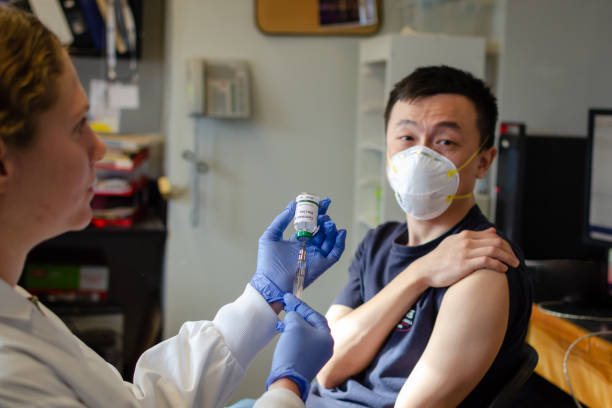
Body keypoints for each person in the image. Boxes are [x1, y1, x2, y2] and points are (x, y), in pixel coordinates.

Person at [0, 5, 346, 408]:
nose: (98, 147)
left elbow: (136, 404)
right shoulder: (10, 373)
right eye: (78, 125)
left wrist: (263, 296)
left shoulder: (14, 309)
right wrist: (287, 389)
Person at [308, 66, 532, 407]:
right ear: (387, 150)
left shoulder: (485, 262)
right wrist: (420, 273)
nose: (421, 156)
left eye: (445, 141)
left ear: (483, 162)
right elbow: (324, 367)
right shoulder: (378, 244)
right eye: (407, 138)